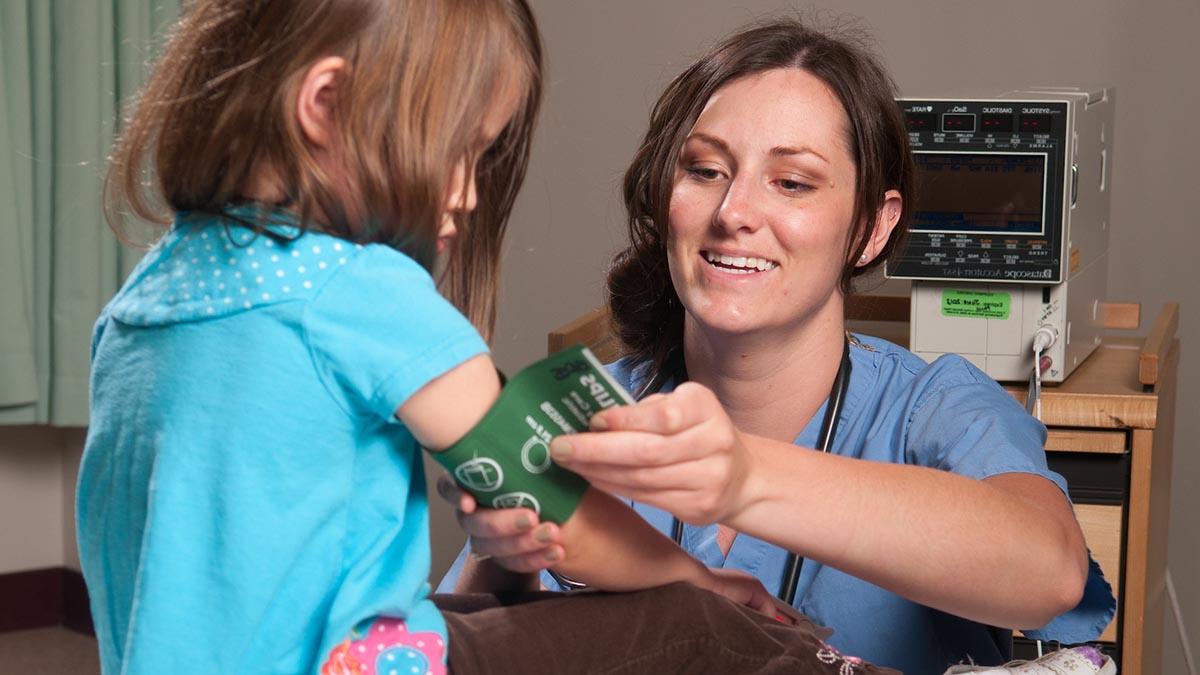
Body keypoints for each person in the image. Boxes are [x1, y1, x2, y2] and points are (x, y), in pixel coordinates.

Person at [79, 2, 912, 674]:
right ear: (326, 106)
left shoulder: (139, 306)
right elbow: (549, 500)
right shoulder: (355, 289)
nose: (469, 193)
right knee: (694, 627)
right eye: (460, 153)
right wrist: (701, 578)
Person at [439, 19, 1116, 675]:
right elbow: (455, 645)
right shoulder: (588, 409)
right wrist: (510, 557)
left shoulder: (932, 408)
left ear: (871, 229)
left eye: (792, 182)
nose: (734, 211)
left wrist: (741, 476)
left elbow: (1048, 570)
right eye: (704, 170)